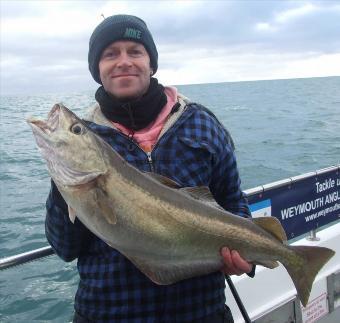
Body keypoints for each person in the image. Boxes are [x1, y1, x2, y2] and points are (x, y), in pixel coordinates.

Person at [45, 14, 254, 323]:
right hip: (106, 314)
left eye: (135, 51)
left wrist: (248, 260)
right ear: (97, 69)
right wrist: (67, 181)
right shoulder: (90, 138)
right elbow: (64, 247)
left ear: (151, 63)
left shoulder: (201, 125)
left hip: (200, 312)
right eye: (110, 54)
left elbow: (234, 205)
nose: (123, 61)